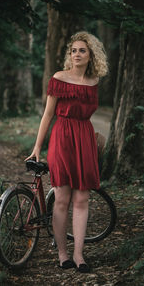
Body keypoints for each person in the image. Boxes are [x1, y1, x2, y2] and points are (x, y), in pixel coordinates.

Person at [25, 31, 108, 273]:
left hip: (85, 138)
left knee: (82, 199)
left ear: (91, 54)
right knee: (62, 199)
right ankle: (62, 254)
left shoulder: (94, 82)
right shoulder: (59, 78)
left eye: (82, 50)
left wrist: (93, 136)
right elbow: (48, 115)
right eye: (73, 50)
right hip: (62, 138)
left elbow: (87, 113)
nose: (77, 54)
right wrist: (37, 147)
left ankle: (79, 254)